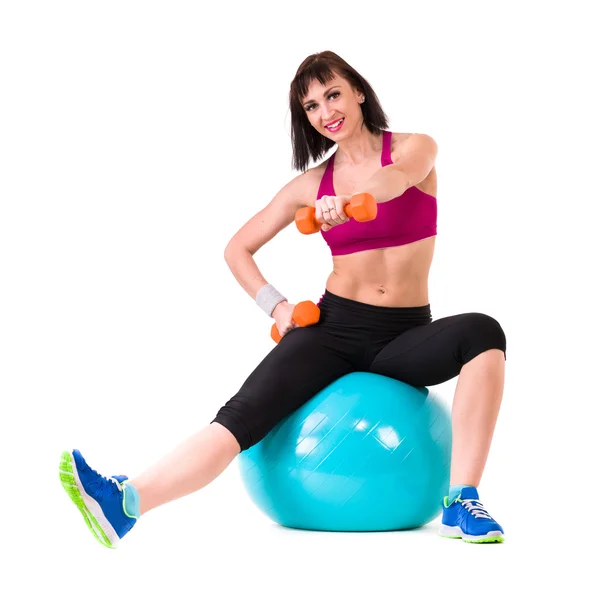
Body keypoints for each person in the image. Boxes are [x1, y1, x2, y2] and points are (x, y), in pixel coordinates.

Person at [59, 50, 507, 548]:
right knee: (240, 417)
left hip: (404, 337)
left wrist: (356, 201)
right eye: (311, 106)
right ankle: (125, 503)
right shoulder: (310, 185)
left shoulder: (413, 149)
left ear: (358, 91)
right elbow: (237, 248)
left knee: (483, 332)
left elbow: (394, 181)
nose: (325, 112)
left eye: (333, 94)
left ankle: (462, 500)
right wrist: (276, 306)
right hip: (333, 329)